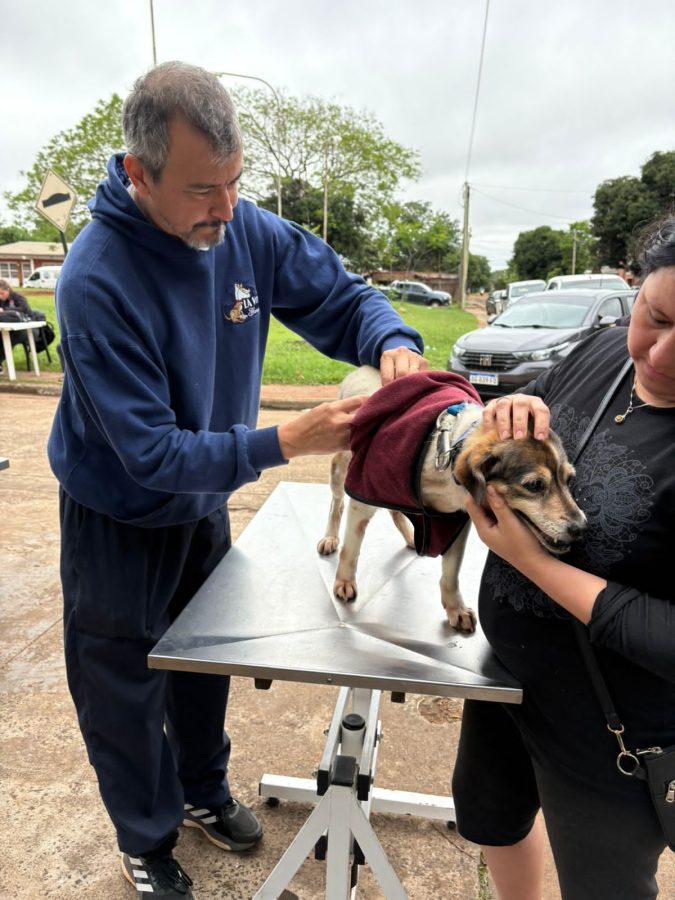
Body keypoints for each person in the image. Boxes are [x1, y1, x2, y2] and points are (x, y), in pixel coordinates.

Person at [47, 61, 427, 899]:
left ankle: (202, 790)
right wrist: (283, 441)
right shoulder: (95, 280)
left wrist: (390, 340)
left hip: (203, 505)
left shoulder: (241, 230)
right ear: (137, 174)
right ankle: (145, 838)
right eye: (200, 189)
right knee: (123, 684)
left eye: (233, 181)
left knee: (205, 663)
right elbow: (148, 453)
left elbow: (343, 296)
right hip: (119, 511)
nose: (223, 207)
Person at [452, 214, 675, 900]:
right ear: (630, 289)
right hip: (508, 678)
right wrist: (515, 401)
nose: (660, 355)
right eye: (656, 316)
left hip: (609, 730)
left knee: (601, 886)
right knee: (492, 820)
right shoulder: (602, 351)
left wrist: (533, 562)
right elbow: (533, 413)